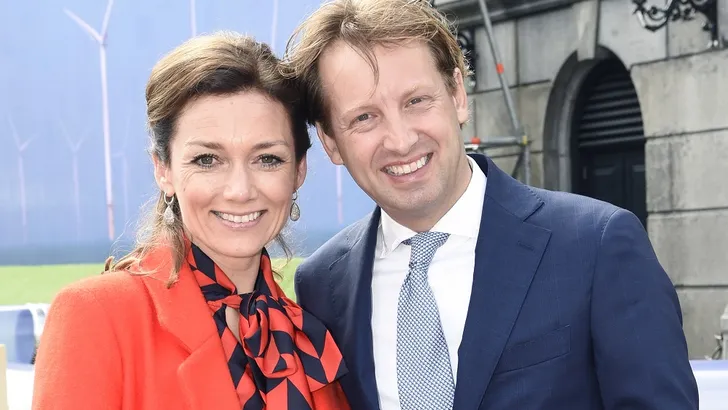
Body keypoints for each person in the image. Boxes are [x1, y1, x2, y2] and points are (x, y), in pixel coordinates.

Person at [282, 1, 699, 409]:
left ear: (458, 94)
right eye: (364, 118)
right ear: (330, 141)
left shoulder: (596, 245)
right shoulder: (322, 285)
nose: (401, 140)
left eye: (416, 101)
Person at [32, 32, 350, 410]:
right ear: (163, 169)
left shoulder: (309, 336)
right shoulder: (96, 316)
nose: (239, 190)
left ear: (298, 170)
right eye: (207, 160)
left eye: (267, 159)